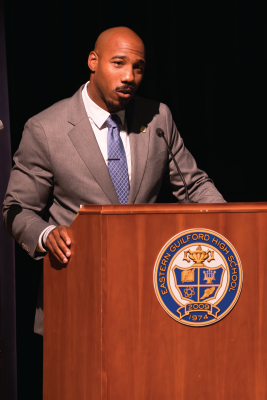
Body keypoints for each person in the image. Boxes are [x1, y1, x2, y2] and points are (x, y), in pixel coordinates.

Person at [3, 27, 225, 333]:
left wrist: (229, 225)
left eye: (138, 68)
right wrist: (46, 235)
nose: (129, 77)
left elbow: (195, 186)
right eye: (118, 63)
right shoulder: (45, 128)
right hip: (77, 296)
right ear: (93, 62)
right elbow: (16, 208)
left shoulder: (158, 118)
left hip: (152, 298)